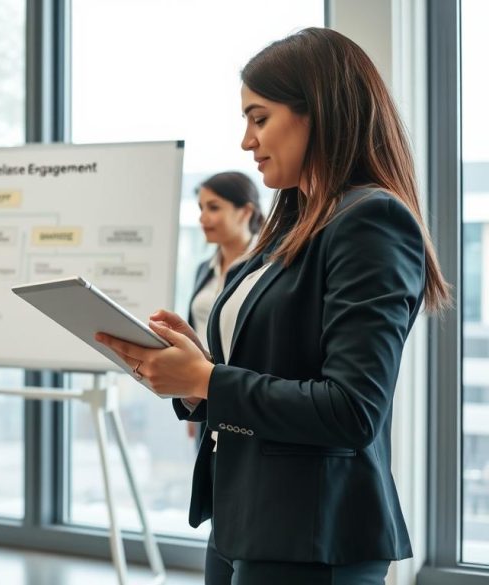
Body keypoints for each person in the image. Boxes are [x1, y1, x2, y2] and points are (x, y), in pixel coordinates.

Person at [97, 27, 449, 584]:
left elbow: (351, 410)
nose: (245, 141)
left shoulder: (369, 220)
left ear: (319, 113)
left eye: (259, 118)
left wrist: (210, 379)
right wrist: (195, 377)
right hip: (244, 517)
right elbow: (273, 368)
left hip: (314, 534)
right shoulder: (291, 226)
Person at [186, 172, 262, 444]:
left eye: (213, 207)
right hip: (204, 395)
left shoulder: (266, 268)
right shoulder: (203, 271)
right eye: (201, 208)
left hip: (245, 395)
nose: (203, 218)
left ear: (245, 212)